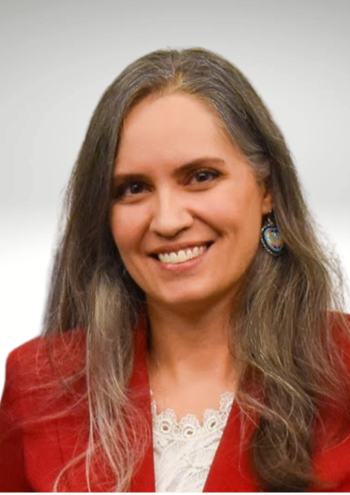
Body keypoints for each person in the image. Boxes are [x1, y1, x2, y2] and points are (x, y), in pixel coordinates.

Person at [0, 47, 350, 493]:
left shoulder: (345, 366)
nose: (167, 221)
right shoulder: (37, 383)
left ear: (267, 190)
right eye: (133, 188)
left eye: (201, 176)